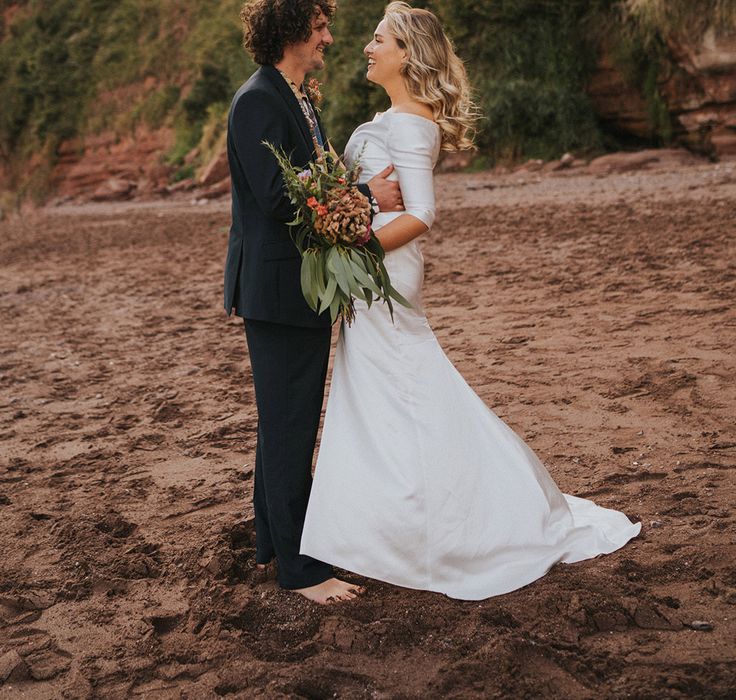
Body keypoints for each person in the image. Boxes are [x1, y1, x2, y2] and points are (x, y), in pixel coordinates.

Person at [299, 2, 641, 601]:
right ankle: (387, 519)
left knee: (404, 388)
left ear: (407, 54)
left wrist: (358, 239)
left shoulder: (410, 124)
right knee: (379, 395)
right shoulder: (392, 118)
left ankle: (455, 522)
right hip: (369, 270)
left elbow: (423, 213)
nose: (366, 47)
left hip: (385, 271)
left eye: (378, 39)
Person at [224, 0, 405, 604]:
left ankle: (272, 543)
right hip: (277, 290)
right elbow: (282, 196)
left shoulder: (297, 96)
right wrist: (365, 193)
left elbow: (308, 178)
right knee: (291, 424)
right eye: (320, 26)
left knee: (284, 421)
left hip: (293, 285)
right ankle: (300, 572)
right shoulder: (258, 100)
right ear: (292, 30)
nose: (330, 36)